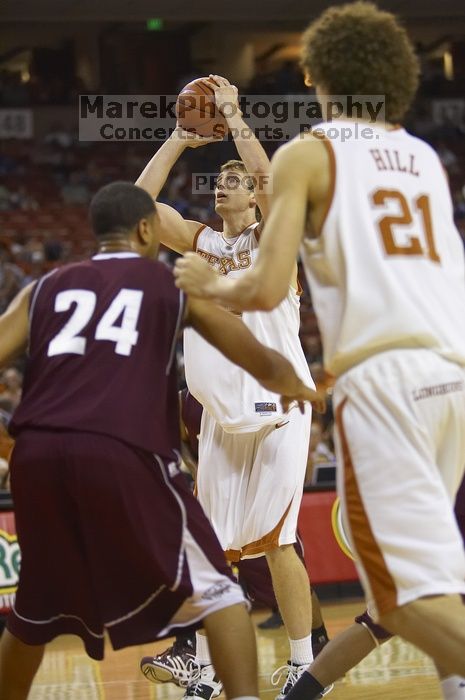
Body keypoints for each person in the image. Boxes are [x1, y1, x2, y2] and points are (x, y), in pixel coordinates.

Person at [174, 2, 465, 692]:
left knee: (402, 598)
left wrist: (200, 288)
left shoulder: (310, 152)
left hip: (384, 380)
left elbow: (269, 285)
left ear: (312, 74)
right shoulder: (423, 156)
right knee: (432, 577)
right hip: (452, 373)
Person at [0, 181, 321, 700]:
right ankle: (219, 676)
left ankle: (198, 661)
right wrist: (296, 384)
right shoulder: (168, 284)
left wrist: (177, 137)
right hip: (118, 447)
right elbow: (247, 348)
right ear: (147, 230)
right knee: (217, 586)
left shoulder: (45, 286)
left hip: (36, 454)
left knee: (31, 612)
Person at [137, 75, 320, 700]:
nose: (224, 183)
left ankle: (303, 663)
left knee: (278, 542)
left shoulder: (274, 241)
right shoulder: (198, 240)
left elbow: (270, 185)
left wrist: (238, 119)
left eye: (233, 179)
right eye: (218, 179)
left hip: (277, 409)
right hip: (217, 418)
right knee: (216, 556)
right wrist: (177, 140)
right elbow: (135, 208)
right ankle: (210, 675)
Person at [141, 390, 330, 689]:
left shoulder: (248, 383)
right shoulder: (186, 396)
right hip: (224, 485)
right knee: (201, 561)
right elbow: (181, 444)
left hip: (258, 485)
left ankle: (316, 641)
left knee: (281, 567)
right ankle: (191, 653)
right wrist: (197, 469)